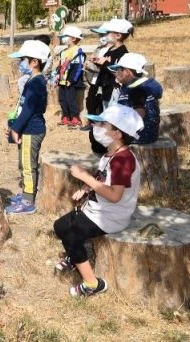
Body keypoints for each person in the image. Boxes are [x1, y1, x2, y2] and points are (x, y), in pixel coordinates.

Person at [53, 104, 143, 297]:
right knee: (60, 226)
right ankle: (74, 256)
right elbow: (103, 177)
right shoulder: (111, 153)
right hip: (98, 209)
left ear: (117, 134)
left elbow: (114, 195)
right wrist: (85, 188)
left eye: (103, 124)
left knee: (71, 235)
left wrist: (85, 177)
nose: (97, 127)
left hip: (111, 216)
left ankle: (92, 283)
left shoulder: (123, 161)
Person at [5, 40, 50, 215]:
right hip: (27, 128)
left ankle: (28, 201)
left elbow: (30, 108)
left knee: (28, 165)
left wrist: (16, 128)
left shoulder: (36, 82)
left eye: (24, 59)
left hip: (31, 130)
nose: (21, 63)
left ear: (35, 62)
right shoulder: (33, 80)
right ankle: (25, 192)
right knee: (23, 163)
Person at [89, 18, 132, 154]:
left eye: (109, 33)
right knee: (107, 118)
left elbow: (120, 73)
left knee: (113, 120)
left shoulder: (123, 53)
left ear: (118, 35)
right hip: (105, 89)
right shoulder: (111, 50)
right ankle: (109, 146)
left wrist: (105, 64)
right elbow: (105, 67)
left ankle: (117, 147)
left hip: (114, 90)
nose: (106, 35)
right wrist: (97, 62)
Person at [109, 53, 163, 145]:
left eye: (118, 70)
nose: (115, 73)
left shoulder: (136, 89)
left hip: (140, 136)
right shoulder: (137, 85)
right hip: (149, 134)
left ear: (126, 72)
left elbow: (138, 115)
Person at [55, 26, 87, 127]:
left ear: (73, 38)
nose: (63, 38)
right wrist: (57, 75)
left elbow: (78, 67)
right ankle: (65, 116)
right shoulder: (63, 52)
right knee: (62, 99)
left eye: (66, 36)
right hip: (62, 81)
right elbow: (60, 66)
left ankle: (75, 117)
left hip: (70, 82)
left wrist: (72, 80)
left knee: (71, 100)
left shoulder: (77, 51)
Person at [80, 29, 110, 132]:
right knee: (90, 102)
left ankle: (100, 125)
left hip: (103, 81)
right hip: (94, 80)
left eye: (103, 34)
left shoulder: (112, 51)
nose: (101, 37)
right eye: (100, 35)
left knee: (100, 103)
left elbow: (104, 67)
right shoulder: (98, 48)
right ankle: (91, 123)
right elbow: (91, 60)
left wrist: (90, 65)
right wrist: (90, 61)